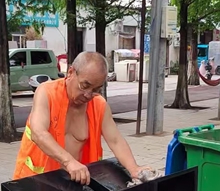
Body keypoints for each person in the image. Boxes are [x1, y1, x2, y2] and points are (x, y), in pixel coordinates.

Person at [12, 51, 150, 184]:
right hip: (35, 182)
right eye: (85, 86)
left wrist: (134, 169)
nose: (88, 94)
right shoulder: (47, 92)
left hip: (75, 184)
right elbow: (39, 133)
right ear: (71, 72)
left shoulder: (99, 105)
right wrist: (69, 161)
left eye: (96, 90)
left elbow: (115, 140)